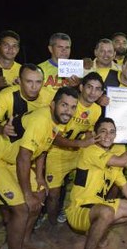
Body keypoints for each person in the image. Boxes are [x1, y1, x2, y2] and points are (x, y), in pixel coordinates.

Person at [0, 86, 78, 249]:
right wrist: (27, 194)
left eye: (73, 107)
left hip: (11, 161)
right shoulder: (41, 120)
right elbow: (24, 158)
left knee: (40, 193)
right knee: (22, 208)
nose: (68, 111)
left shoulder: (58, 121)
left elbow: (43, 148)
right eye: (64, 105)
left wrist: (39, 177)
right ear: (52, 105)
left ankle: (25, 240)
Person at [66, 117, 127, 249]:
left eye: (112, 132)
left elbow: (126, 188)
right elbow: (124, 161)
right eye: (103, 131)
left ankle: (97, 229)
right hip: (79, 209)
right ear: (95, 134)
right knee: (106, 212)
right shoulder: (90, 150)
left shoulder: (111, 159)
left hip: (98, 206)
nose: (108, 135)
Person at [44, 72, 104, 226]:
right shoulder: (69, 103)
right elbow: (52, 137)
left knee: (85, 185)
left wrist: (91, 143)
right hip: (56, 152)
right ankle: (51, 223)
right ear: (81, 87)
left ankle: (73, 212)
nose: (93, 92)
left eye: (97, 89)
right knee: (53, 194)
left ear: (101, 93)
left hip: (78, 154)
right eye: (89, 87)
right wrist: (80, 144)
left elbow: (89, 132)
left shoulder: (97, 110)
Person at [0, 63, 53, 136]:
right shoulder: (6, 95)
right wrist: (2, 129)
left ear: (43, 82)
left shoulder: (51, 97)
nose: (34, 87)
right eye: (29, 81)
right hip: (8, 141)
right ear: (19, 81)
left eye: (38, 82)